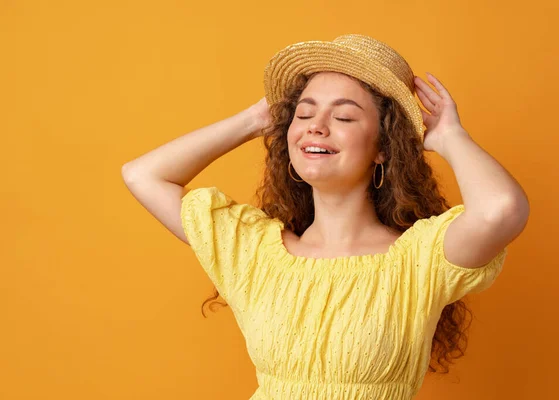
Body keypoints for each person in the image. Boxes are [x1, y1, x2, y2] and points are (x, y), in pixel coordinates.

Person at [122, 34, 529, 400]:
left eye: (344, 117)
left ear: (383, 147)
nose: (315, 127)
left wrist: (450, 137)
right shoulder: (255, 252)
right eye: (303, 114)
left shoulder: (418, 261)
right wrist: (256, 120)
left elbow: (501, 210)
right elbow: (142, 175)